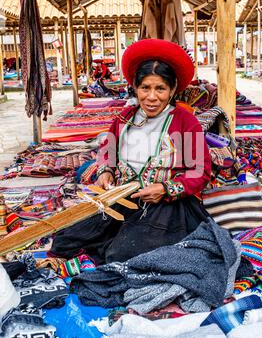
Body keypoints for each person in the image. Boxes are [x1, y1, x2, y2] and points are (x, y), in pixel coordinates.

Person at [50, 39, 211, 264]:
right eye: (145, 88)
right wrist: (106, 171)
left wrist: (165, 189)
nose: (152, 97)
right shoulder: (125, 118)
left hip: (165, 207)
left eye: (160, 89)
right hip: (122, 200)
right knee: (65, 241)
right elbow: (109, 149)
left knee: (122, 254)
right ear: (135, 87)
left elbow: (199, 171)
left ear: (172, 89)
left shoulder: (184, 122)